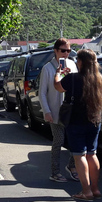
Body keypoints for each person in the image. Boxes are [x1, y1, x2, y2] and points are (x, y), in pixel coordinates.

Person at [54, 49, 102, 201]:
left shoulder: (72, 78)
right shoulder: (99, 79)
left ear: (81, 62)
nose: (77, 62)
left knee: (79, 155)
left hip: (75, 120)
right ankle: (96, 189)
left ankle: (86, 191)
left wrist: (58, 73)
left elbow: (57, 87)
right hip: (94, 120)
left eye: (78, 60)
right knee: (92, 153)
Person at [39, 39, 79, 182]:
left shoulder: (73, 65)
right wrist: (46, 111)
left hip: (71, 111)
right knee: (59, 141)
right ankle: (55, 172)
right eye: (63, 50)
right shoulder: (48, 68)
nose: (66, 54)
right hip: (55, 112)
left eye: (68, 51)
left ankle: (72, 166)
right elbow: (42, 92)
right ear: (55, 51)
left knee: (75, 141)